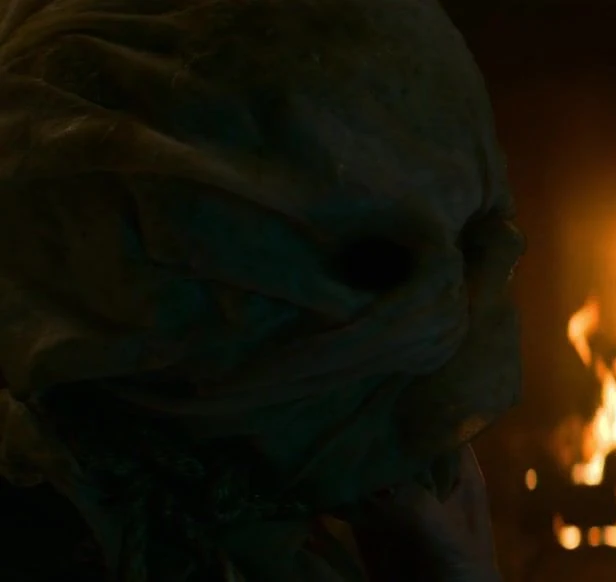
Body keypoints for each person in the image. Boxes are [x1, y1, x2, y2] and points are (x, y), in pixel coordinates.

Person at [0, 0, 521, 580]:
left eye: (466, 250)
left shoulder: (225, 504)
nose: (448, 350)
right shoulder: (67, 529)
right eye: (372, 268)